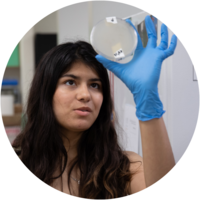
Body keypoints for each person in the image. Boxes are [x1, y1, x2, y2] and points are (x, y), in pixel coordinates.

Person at [12, 16, 177, 198]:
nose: (85, 95)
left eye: (95, 85)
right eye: (70, 82)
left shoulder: (123, 168)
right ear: (46, 92)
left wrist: (148, 99)